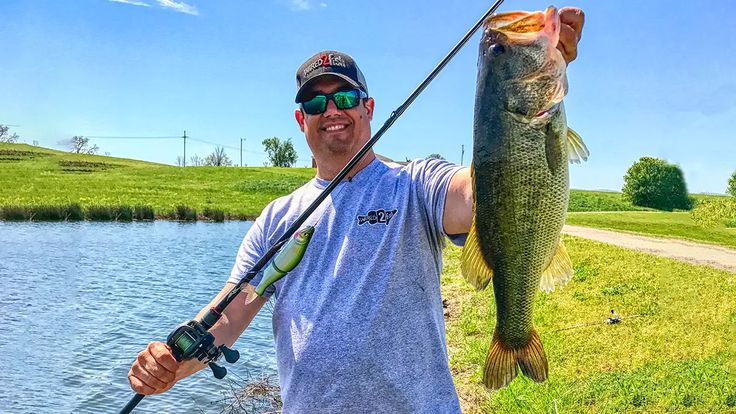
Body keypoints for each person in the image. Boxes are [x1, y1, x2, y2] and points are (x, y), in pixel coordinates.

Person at [127, 7, 585, 413]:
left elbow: (475, 196)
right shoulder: (277, 218)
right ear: (300, 119)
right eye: (315, 102)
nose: (332, 110)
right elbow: (230, 315)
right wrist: (170, 364)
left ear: (367, 108)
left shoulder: (414, 184)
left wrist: (537, 84)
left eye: (344, 98)